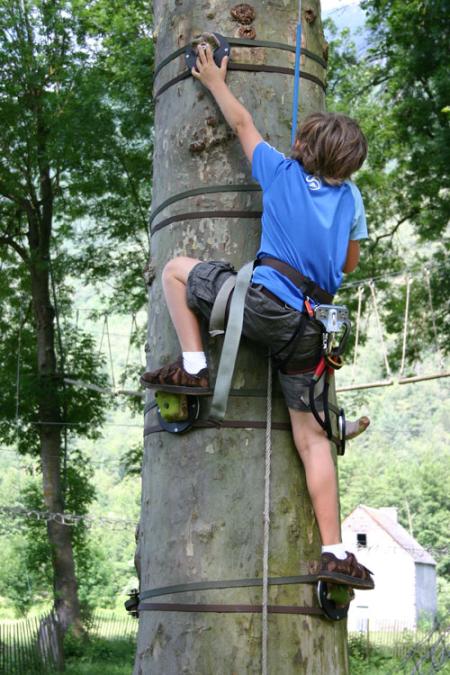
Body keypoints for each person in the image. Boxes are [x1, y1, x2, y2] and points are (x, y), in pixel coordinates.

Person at [142, 45, 374, 590]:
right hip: (311, 330)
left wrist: (213, 79)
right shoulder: (353, 198)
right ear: (347, 165)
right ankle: (335, 552)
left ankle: (196, 366)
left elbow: (242, 121)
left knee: (177, 270)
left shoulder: (282, 172)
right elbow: (348, 262)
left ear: (304, 147)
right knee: (313, 439)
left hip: (264, 306)